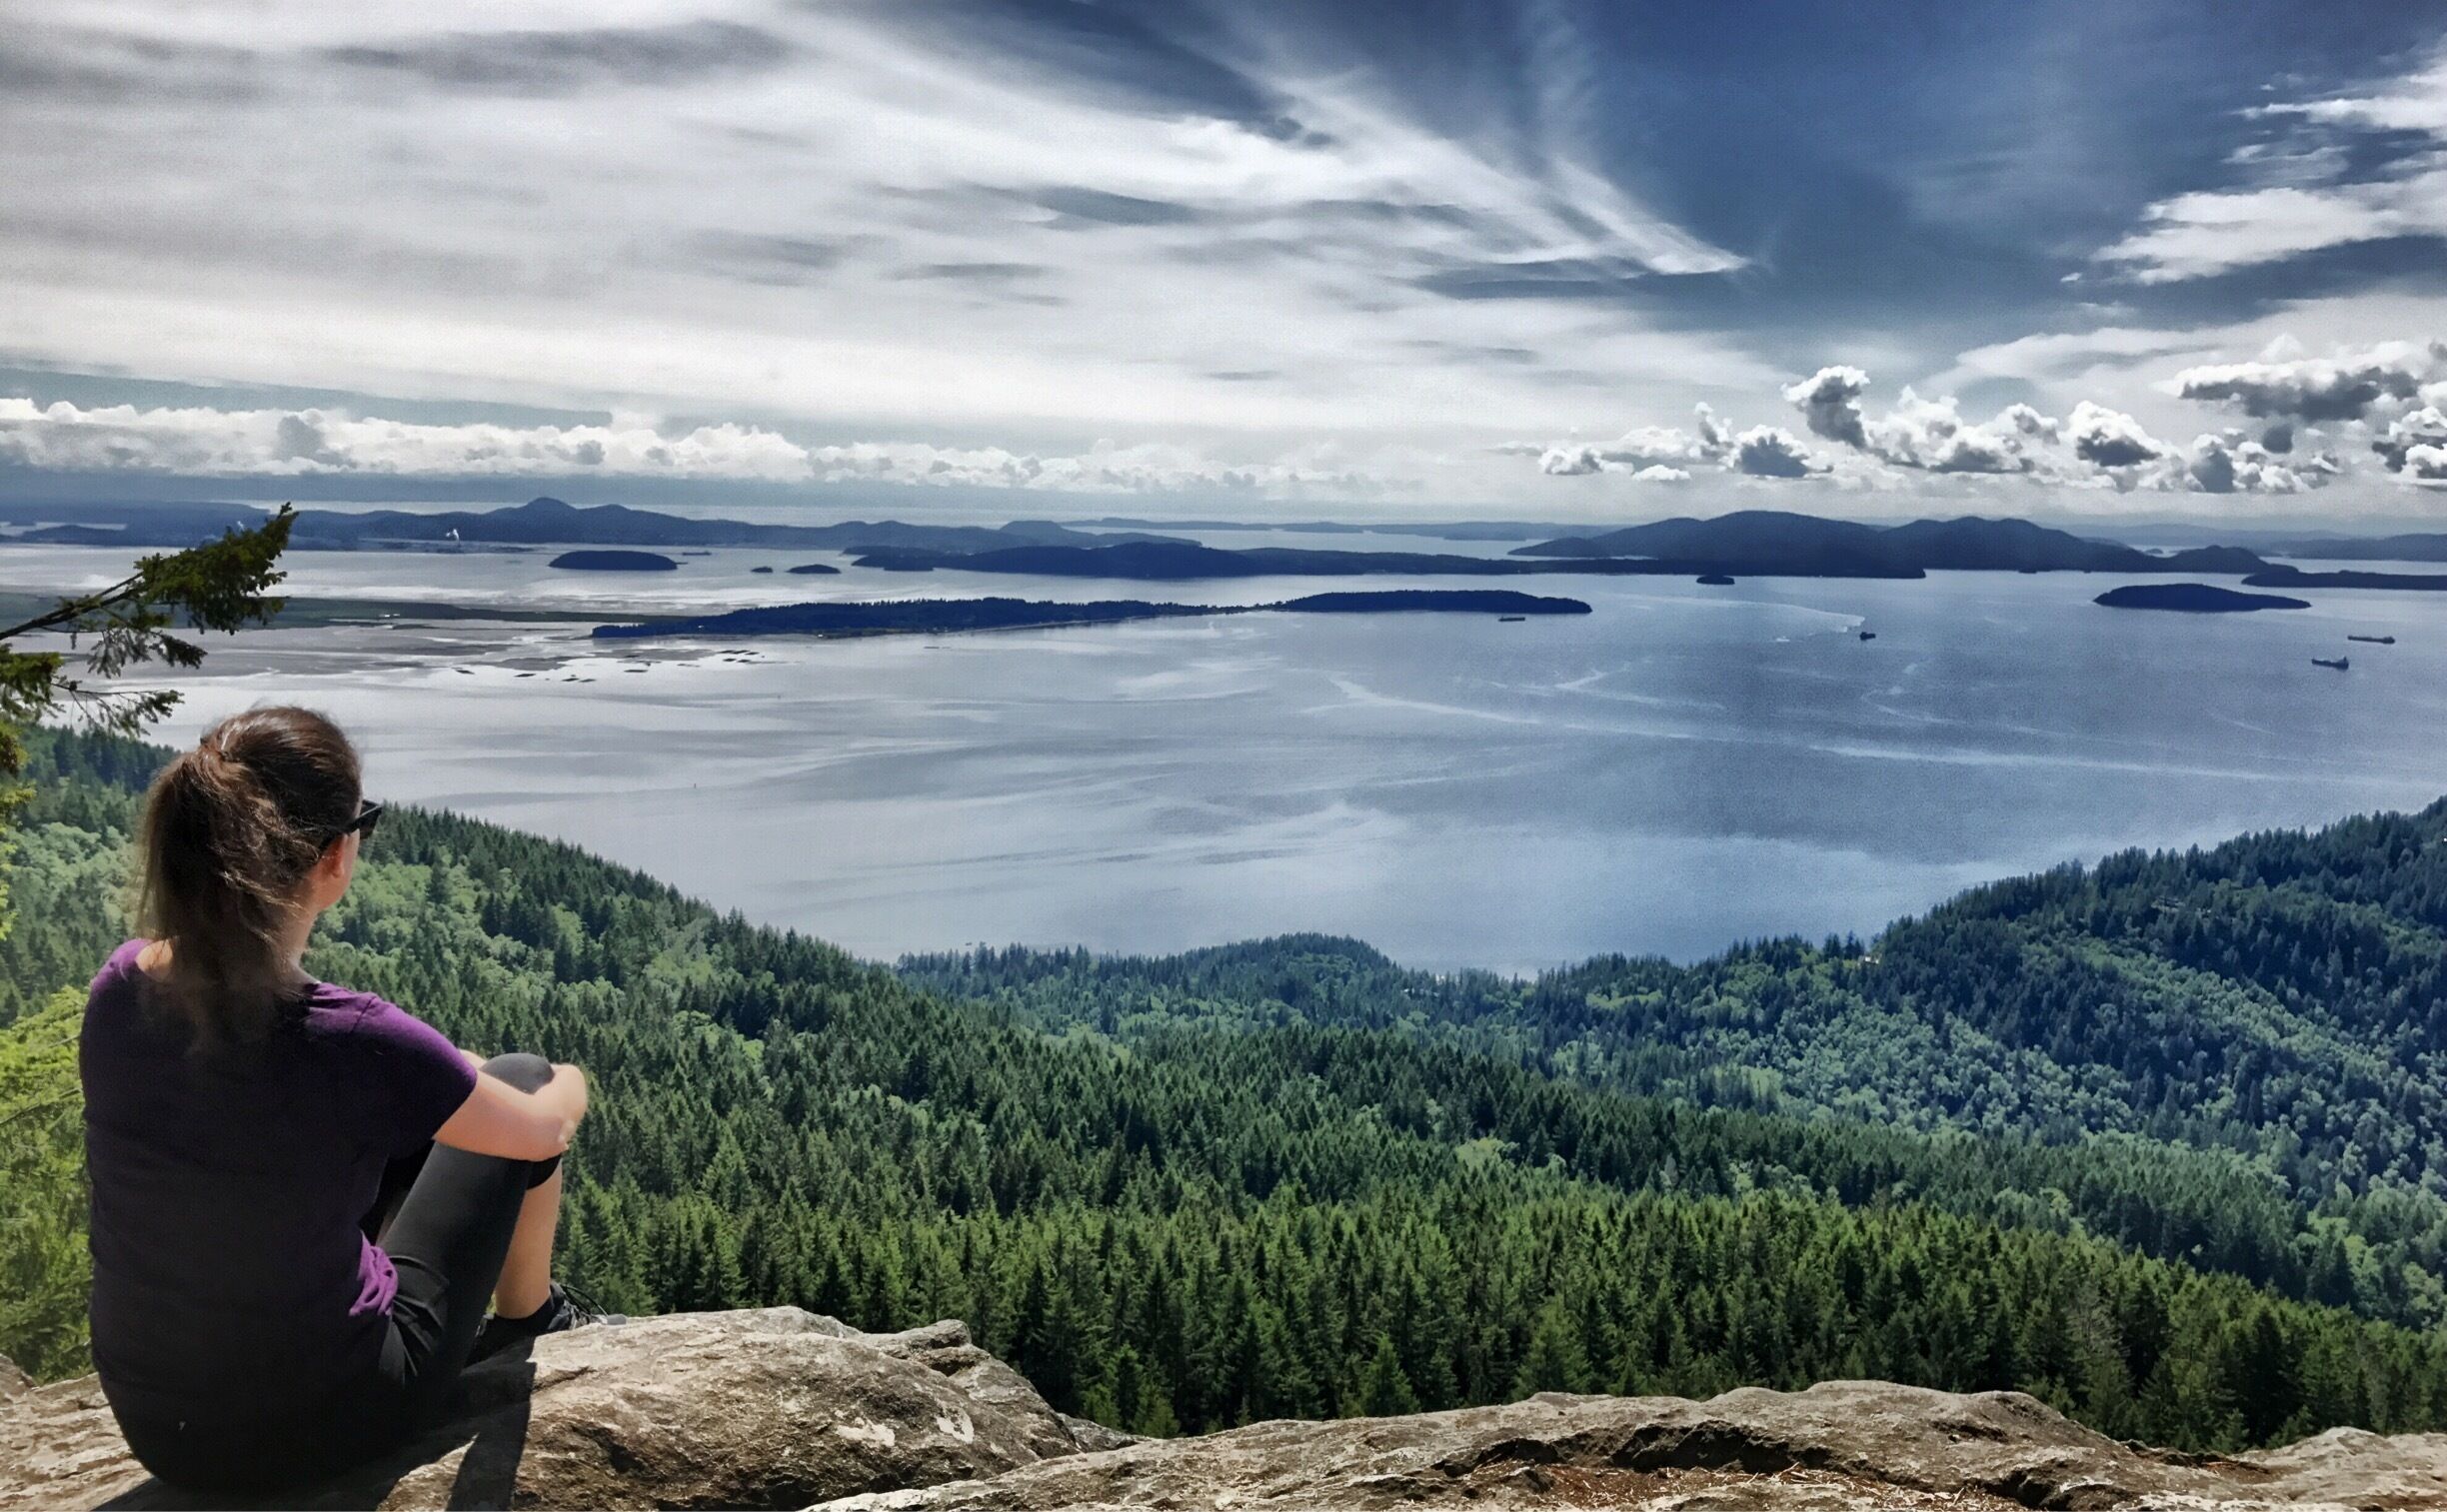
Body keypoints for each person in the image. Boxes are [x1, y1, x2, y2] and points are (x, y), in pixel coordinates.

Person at [79, 706, 607, 1494]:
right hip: (319, 1422)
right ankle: (529, 1320)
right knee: (524, 1074)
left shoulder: (120, 987)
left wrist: (438, 1071)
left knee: (422, 1120)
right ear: (332, 855)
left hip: (159, 1424)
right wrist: (571, 1080)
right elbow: (540, 1132)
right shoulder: (350, 1039)